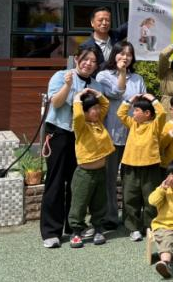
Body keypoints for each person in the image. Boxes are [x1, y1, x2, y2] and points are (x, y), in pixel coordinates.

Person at [41, 46, 103, 249]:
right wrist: (68, 86)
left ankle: (73, 226)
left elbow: (97, 113)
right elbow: (56, 103)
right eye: (85, 59)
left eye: (93, 61)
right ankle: (51, 231)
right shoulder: (61, 76)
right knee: (55, 182)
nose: (89, 64)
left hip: (81, 137)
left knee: (76, 183)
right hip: (59, 133)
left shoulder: (96, 85)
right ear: (76, 59)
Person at [96, 41, 147, 230]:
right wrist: (122, 73)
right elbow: (116, 93)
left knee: (131, 180)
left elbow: (144, 104)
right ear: (114, 55)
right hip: (111, 133)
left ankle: (131, 218)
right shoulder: (103, 76)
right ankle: (110, 216)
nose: (125, 57)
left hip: (134, 136)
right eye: (121, 53)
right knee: (109, 178)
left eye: (129, 54)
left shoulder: (138, 78)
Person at [67, 89, 114, 248]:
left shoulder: (98, 121)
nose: (98, 111)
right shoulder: (80, 125)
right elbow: (78, 116)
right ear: (85, 112)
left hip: (101, 172)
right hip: (84, 174)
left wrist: (94, 92)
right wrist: (78, 97)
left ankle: (98, 229)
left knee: (99, 203)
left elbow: (105, 104)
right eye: (93, 109)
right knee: (79, 204)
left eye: (97, 108)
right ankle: (76, 232)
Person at [117, 93, 167, 241]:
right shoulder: (133, 124)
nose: (133, 113)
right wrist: (130, 100)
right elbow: (120, 113)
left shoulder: (154, 125)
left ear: (147, 114)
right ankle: (133, 228)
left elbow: (162, 113)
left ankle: (150, 226)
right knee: (130, 197)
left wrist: (152, 99)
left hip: (150, 166)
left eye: (136, 110)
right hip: (130, 166)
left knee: (150, 197)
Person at [79, 6, 128, 71]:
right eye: (100, 20)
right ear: (92, 23)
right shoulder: (86, 46)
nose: (104, 23)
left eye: (107, 20)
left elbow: (132, 23)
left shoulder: (116, 35)